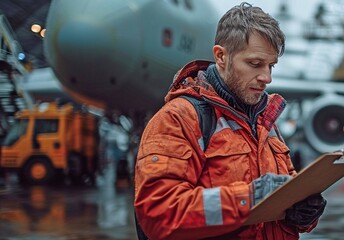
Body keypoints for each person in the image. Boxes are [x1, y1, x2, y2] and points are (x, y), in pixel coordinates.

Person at [134, 2, 326, 239]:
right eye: (255, 64)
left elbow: (283, 192)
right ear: (221, 56)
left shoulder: (265, 122)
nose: (267, 77)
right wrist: (249, 199)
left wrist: (304, 213)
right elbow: (159, 215)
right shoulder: (178, 120)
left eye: (271, 66)